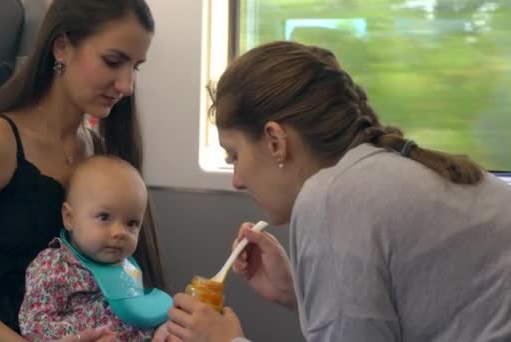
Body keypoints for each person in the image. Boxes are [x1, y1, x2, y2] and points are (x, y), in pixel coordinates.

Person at [166, 41, 511, 342]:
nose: (236, 180)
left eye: (235, 155)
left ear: (275, 141)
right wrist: (296, 293)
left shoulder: (330, 200)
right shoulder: (383, 175)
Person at [0, 1, 166, 341]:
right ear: (62, 47)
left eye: (135, 67)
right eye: (113, 61)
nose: (127, 85)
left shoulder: (99, 153)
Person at [19, 156, 171, 342]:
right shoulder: (53, 266)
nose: (119, 232)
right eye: (104, 217)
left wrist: (160, 328)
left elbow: (136, 312)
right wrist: (83, 334)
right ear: (69, 218)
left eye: (131, 223)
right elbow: (33, 325)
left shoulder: (127, 267)